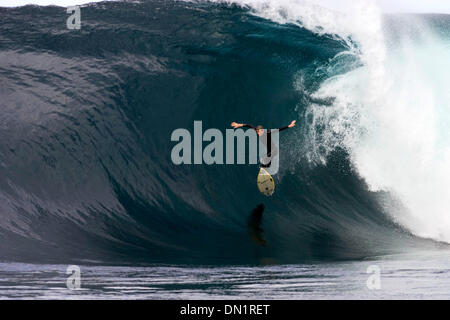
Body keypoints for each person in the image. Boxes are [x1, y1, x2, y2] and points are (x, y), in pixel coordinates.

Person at [230, 120, 296, 167]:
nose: (259, 133)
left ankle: (267, 164)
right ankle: (267, 170)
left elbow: (278, 129)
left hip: (274, 150)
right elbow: (248, 125)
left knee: (266, 158)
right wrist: (238, 125)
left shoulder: (267, 132)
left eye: (261, 132)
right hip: (269, 149)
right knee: (267, 164)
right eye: (258, 132)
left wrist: (289, 126)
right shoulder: (256, 130)